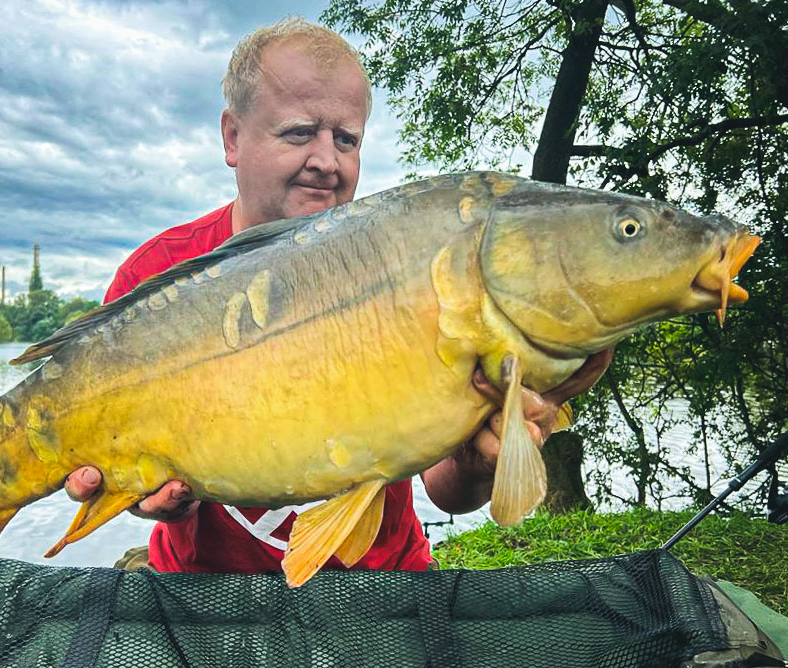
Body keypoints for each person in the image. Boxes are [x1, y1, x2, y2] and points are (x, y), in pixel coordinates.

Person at [64, 17, 612, 573]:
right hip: (204, 591)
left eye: (346, 139)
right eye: (299, 132)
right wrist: (142, 497)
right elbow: (105, 464)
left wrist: (475, 462)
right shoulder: (156, 277)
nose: (327, 161)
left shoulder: (411, 268)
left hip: (386, 581)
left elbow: (448, 493)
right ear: (233, 138)